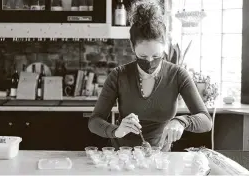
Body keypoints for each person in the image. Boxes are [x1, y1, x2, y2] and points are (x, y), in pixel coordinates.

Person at [88, 0, 212, 151]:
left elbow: (206, 121)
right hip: (122, 156)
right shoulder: (118, 75)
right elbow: (94, 121)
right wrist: (116, 131)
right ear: (133, 47)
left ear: (164, 46)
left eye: (156, 56)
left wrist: (181, 121)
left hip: (159, 157)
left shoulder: (178, 75)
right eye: (143, 56)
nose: (150, 62)